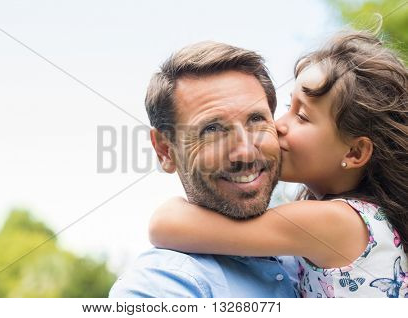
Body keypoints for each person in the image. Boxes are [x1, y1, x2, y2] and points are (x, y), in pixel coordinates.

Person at [149, 31, 408, 298]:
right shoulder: (358, 218)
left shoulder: (335, 222)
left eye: (302, 117)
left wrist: (173, 206)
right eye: (287, 106)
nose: (278, 124)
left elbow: (165, 226)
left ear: (354, 152)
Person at [109, 41, 299, 297]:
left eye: (256, 120)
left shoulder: (312, 257)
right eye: (211, 129)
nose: (245, 151)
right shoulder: (158, 288)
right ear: (166, 150)